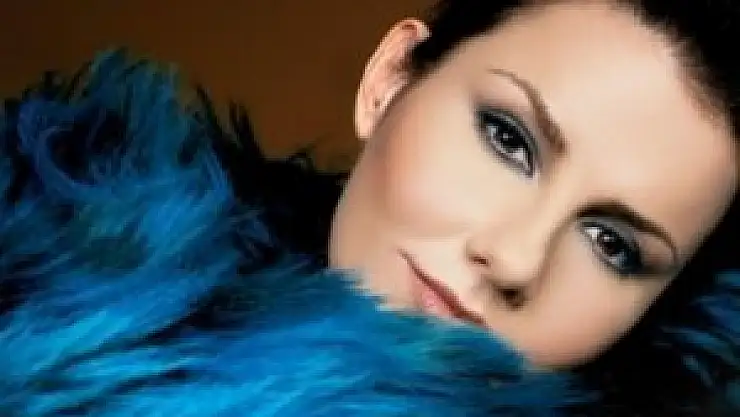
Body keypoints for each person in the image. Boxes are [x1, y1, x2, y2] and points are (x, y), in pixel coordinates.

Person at [0, 0, 737, 416]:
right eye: (509, 140)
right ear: (389, 82)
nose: (515, 260)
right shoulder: (40, 283)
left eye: (613, 245)